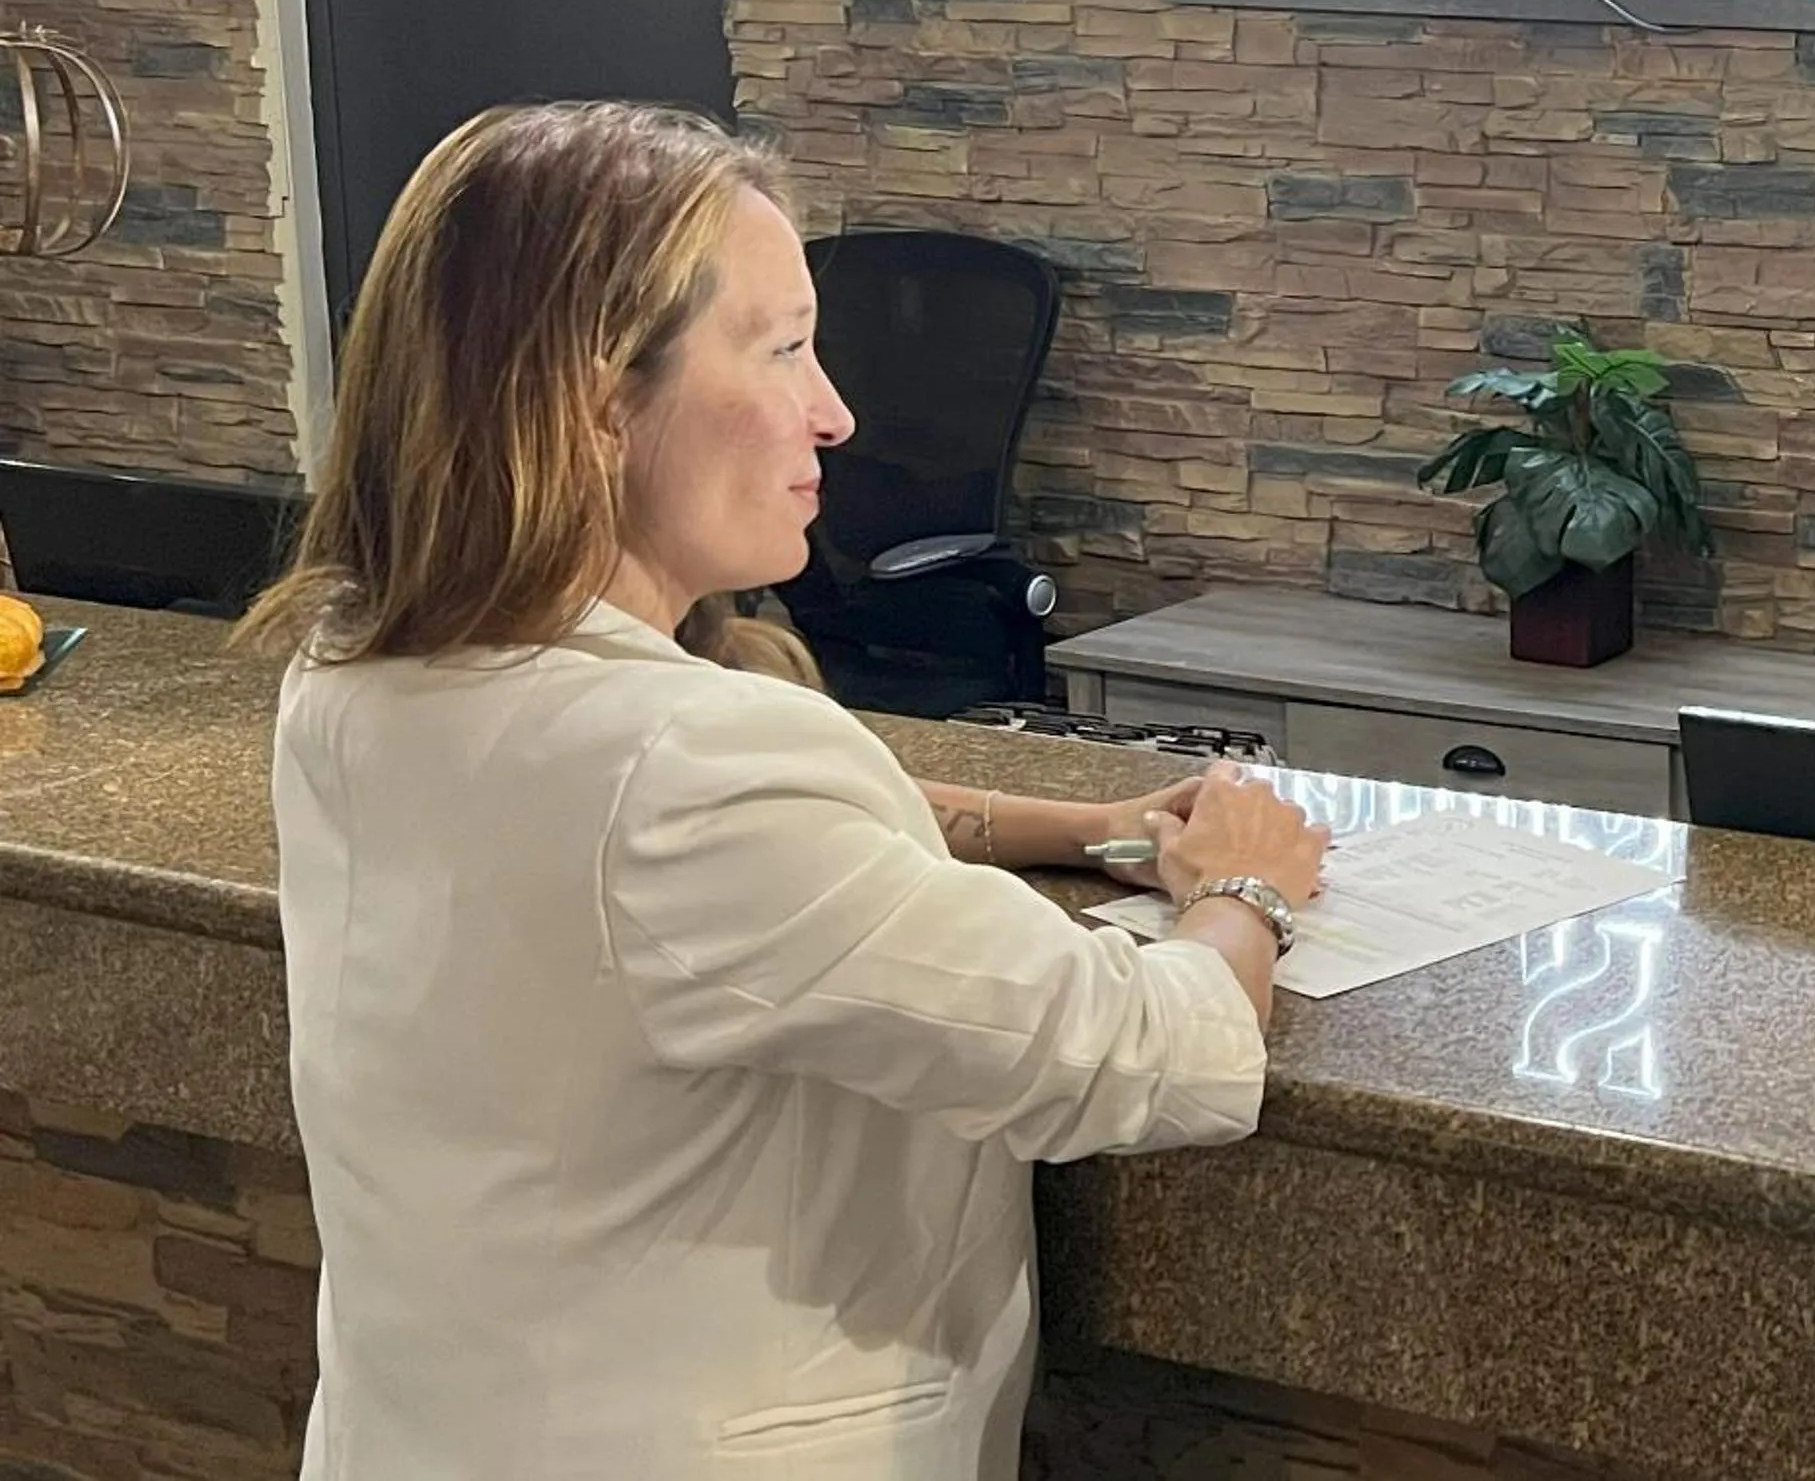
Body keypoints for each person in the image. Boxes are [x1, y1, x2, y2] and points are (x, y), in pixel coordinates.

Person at [243, 101, 1329, 1479]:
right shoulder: (681, 772)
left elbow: (704, 841)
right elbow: (1143, 1054)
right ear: (593, 402)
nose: (837, 410)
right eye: (785, 348)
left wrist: (1071, 825)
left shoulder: (358, 665)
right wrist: (1246, 883)